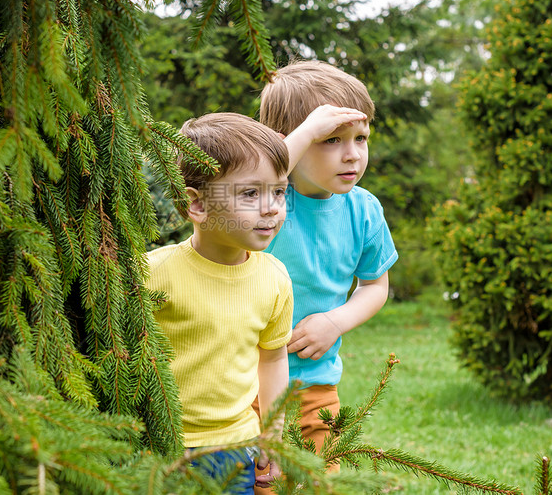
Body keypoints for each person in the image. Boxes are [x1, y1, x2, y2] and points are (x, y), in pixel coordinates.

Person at [256, 60, 399, 473]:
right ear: (292, 142)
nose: (352, 153)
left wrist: (334, 322)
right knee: (257, 479)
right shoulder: (269, 202)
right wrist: (298, 138)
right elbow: (261, 174)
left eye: (361, 137)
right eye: (332, 139)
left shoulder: (364, 210)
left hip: (315, 385)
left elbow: (375, 286)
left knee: (321, 479)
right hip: (243, 382)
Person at [146, 112, 294, 494]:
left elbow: (273, 358)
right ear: (197, 205)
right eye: (250, 193)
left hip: (235, 447)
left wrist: (272, 435)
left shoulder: (274, 278)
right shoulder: (152, 273)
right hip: (160, 445)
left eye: (279, 191)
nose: (271, 207)